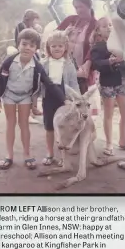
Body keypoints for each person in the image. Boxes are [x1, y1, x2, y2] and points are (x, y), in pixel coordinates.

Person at [0, 28, 65, 170]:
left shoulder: (37, 66)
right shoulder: (9, 62)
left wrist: (63, 99)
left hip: (25, 96)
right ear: (18, 44)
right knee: (10, 123)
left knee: (24, 124)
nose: (27, 48)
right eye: (24, 44)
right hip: (9, 95)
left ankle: (27, 154)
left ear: (36, 48)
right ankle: (9, 155)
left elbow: (48, 83)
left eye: (31, 45)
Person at [32, 31, 79, 166]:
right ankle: (50, 153)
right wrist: (34, 101)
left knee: (64, 128)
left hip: (65, 98)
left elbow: (74, 83)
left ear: (65, 47)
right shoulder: (43, 63)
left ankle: (64, 156)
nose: (57, 48)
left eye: (60, 46)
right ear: (48, 48)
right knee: (49, 127)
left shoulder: (69, 64)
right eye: (53, 46)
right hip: (48, 98)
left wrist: (77, 99)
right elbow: (38, 83)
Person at [89, 17, 125, 156]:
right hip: (107, 84)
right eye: (105, 26)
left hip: (122, 81)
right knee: (109, 114)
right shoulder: (97, 47)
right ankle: (109, 143)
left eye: (110, 25)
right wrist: (109, 61)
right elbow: (96, 64)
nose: (109, 28)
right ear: (98, 30)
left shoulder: (121, 43)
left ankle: (123, 140)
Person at [57, 0, 97, 95]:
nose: (78, 10)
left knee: (81, 100)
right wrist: (64, 33)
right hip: (64, 66)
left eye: (80, 7)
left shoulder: (96, 25)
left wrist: (87, 63)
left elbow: (95, 48)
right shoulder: (70, 20)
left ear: (89, 6)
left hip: (83, 69)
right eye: (75, 7)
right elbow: (53, 38)